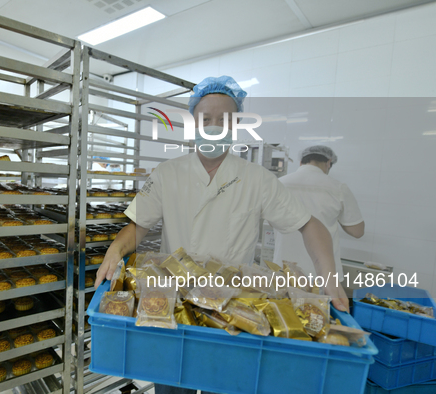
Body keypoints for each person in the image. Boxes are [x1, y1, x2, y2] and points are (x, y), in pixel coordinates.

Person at [93, 76, 349, 393]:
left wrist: (329, 275)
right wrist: (115, 249)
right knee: (173, 385)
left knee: (224, 384)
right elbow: (137, 225)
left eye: (224, 119)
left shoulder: (257, 179)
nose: (214, 127)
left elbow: (310, 225)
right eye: (205, 119)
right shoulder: (167, 173)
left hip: (233, 314)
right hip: (174, 307)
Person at [273, 145, 365, 282]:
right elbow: (357, 231)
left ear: (301, 162)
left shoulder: (279, 183)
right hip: (322, 274)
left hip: (284, 270)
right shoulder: (337, 187)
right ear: (328, 162)